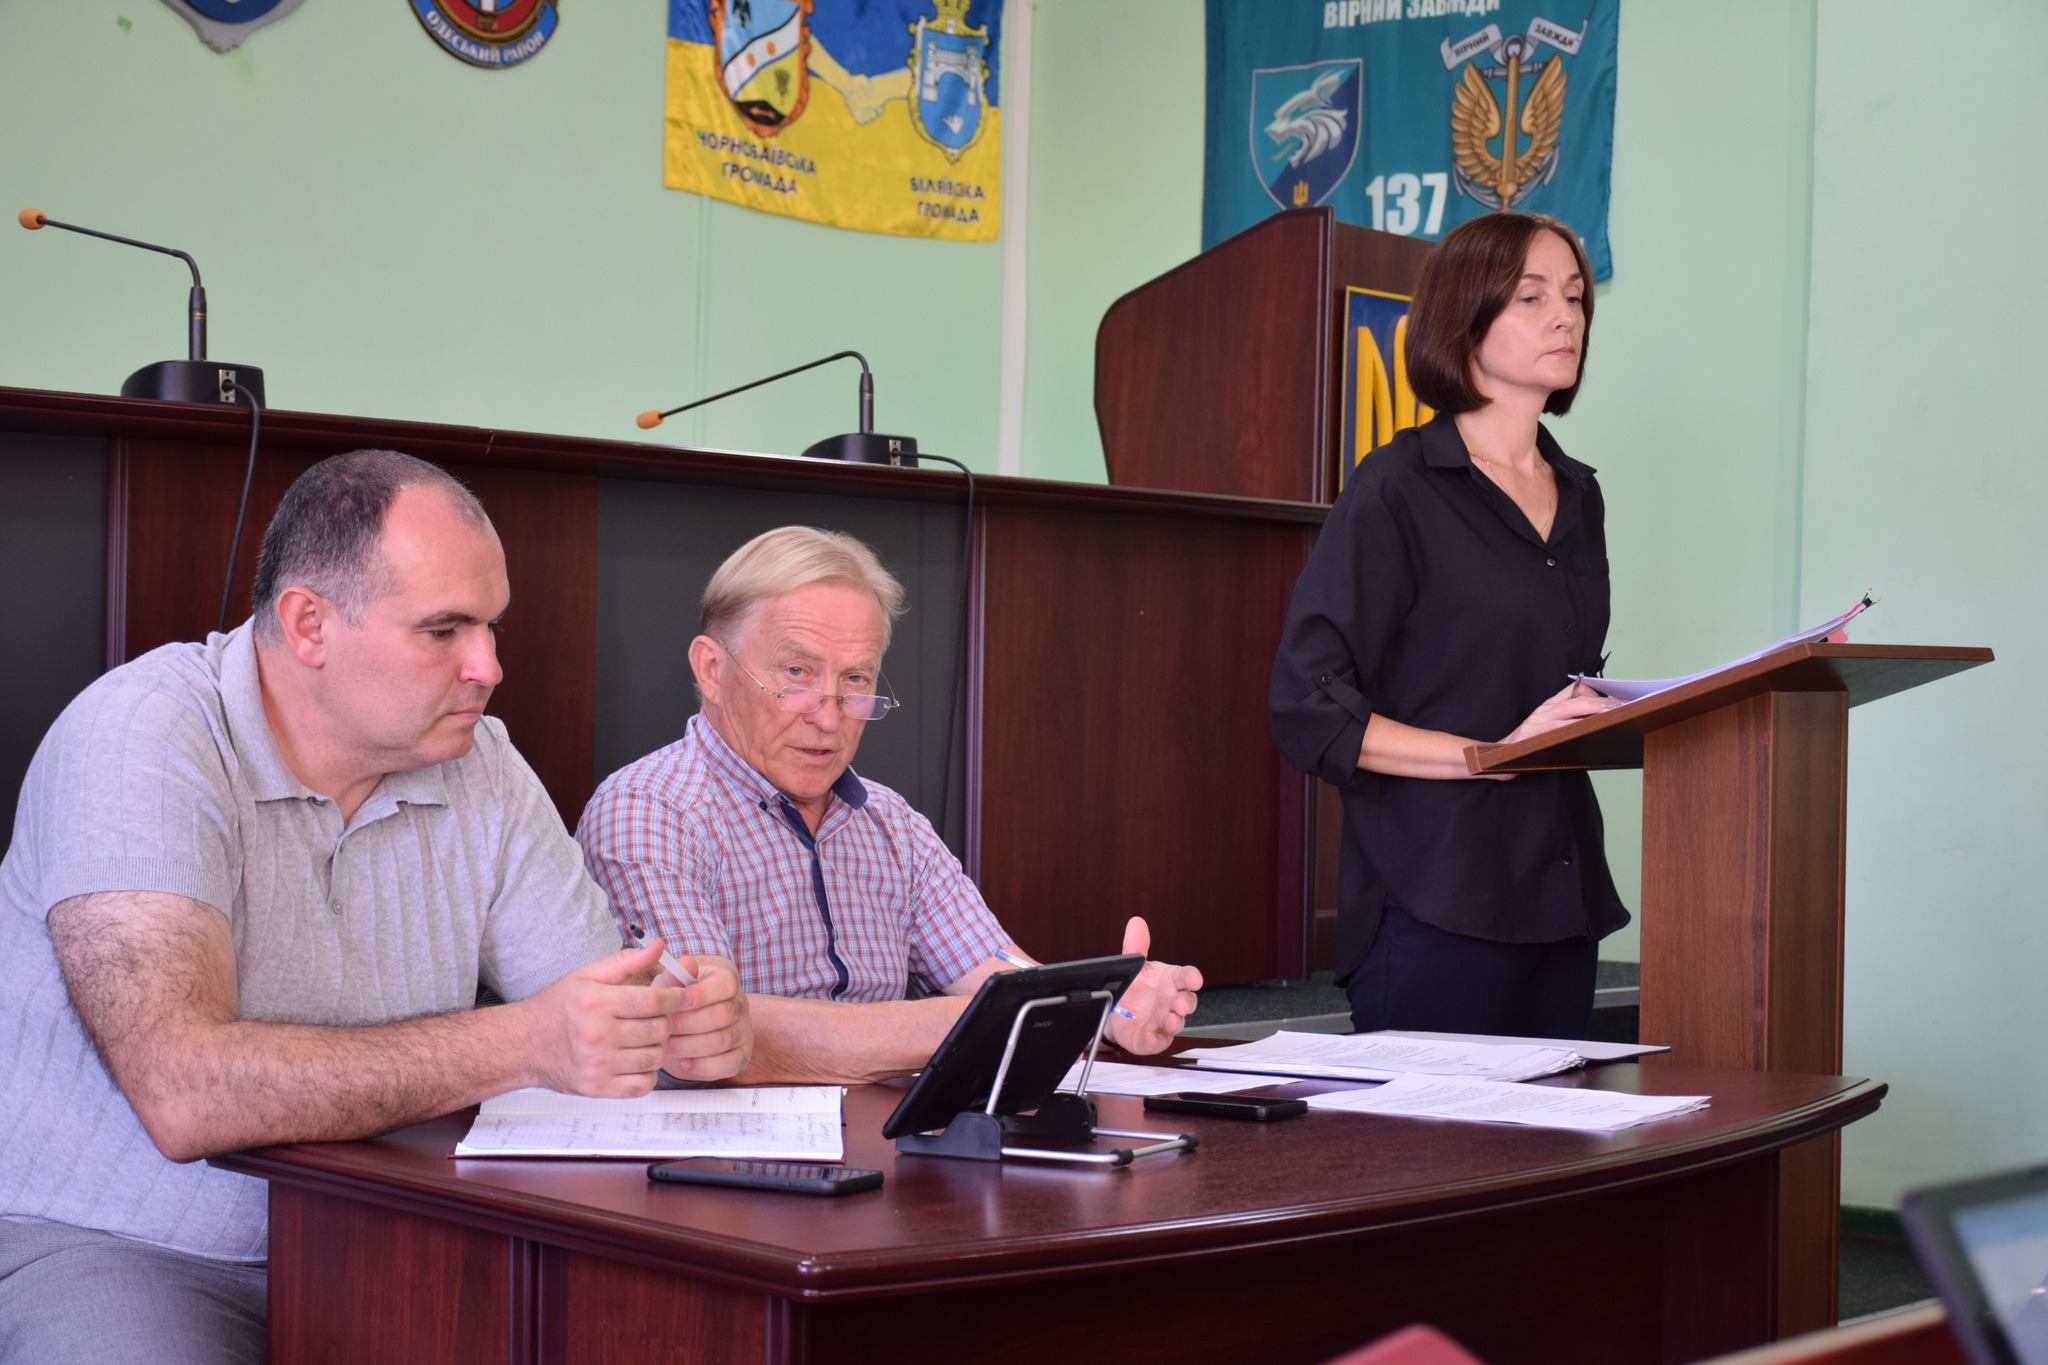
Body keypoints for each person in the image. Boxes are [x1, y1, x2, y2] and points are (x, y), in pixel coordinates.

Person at [0, 450, 751, 1365]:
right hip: (121, 1243)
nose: (488, 666)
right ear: (309, 624)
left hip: (395, 1230)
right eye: (443, 630)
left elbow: (595, 1012)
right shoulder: (139, 738)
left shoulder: (480, 762)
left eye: (492, 625)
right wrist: (528, 1041)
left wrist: (673, 1032)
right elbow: (184, 1091)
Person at [577, 526, 1203, 1085]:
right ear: (712, 669)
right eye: (797, 673)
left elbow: (1001, 977)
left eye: (855, 680)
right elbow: (701, 1031)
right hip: (731, 1163)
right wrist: (977, 1020)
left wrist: (1107, 1010)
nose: (829, 718)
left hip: (894, 1141)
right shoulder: (646, 812)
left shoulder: (891, 822)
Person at [1269, 211, 1630, 1039]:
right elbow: (1306, 704)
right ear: (1465, 320)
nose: (1566, 317)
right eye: (1532, 297)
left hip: (1560, 894)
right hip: (1435, 900)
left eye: (1574, 297)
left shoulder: (1580, 494)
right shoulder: (1396, 487)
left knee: (1560, 1131)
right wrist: (1484, 756)